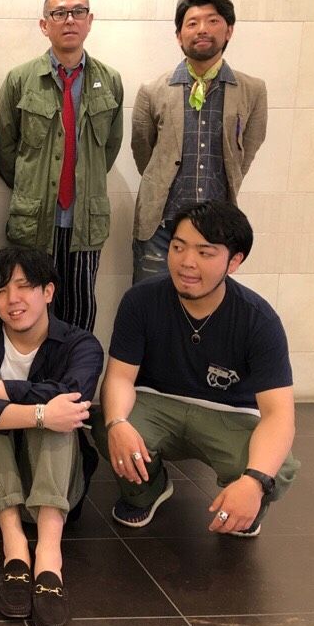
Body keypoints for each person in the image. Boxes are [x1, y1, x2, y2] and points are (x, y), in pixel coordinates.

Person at [92, 201, 299, 537]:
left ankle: (245, 505)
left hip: (228, 415)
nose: (187, 262)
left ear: (234, 261)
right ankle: (147, 490)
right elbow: (119, 377)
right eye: (178, 247)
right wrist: (117, 422)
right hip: (157, 404)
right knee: (109, 424)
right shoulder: (141, 300)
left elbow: (279, 414)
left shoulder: (258, 319)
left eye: (205, 253)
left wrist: (254, 481)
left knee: (277, 465)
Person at [0, 246, 102, 626]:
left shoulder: (81, 345)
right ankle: (14, 548)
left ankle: (48, 557)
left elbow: (74, 400)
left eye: (24, 286)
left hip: (57, 489)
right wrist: (40, 413)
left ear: (48, 291)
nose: (12, 299)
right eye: (0, 291)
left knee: (59, 421)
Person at [0, 0, 123, 333]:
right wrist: (30, 185)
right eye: (59, 13)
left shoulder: (110, 80)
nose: (69, 20)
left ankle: (75, 370)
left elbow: (110, 147)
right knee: (29, 308)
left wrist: (83, 178)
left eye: (78, 12)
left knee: (80, 310)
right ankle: (35, 371)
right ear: (44, 24)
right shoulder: (20, 79)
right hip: (34, 221)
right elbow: (5, 149)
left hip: (85, 221)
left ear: (89, 21)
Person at [131, 0, 268, 283]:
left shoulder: (252, 91)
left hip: (216, 230)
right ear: (179, 36)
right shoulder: (152, 91)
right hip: (160, 226)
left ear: (229, 30)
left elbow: (247, 150)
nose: (202, 29)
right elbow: (144, 152)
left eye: (213, 20)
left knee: (206, 304)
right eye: (192, 23)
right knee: (149, 302)